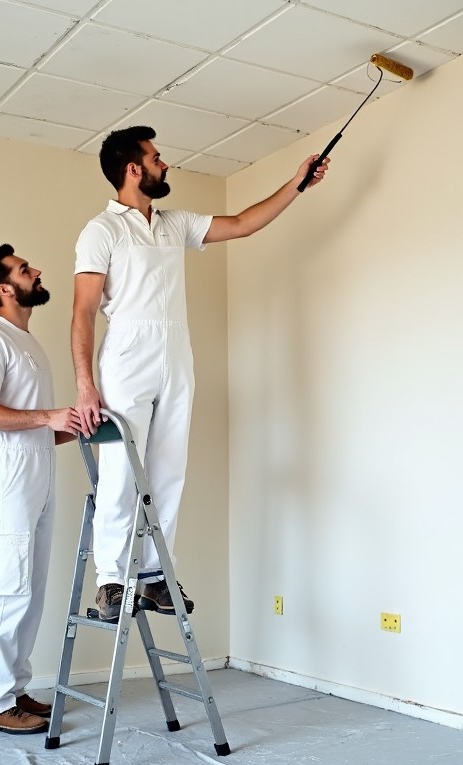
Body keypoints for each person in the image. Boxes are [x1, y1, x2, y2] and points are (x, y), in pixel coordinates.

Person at [71, 126, 329, 621]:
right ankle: (110, 580)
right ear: (133, 169)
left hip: (177, 352)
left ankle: (153, 577)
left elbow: (243, 223)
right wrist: (85, 385)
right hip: (127, 353)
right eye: (157, 157)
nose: (165, 164)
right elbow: (83, 311)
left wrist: (297, 184)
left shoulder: (173, 223)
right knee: (122, 470)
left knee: (169, 467)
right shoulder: (101, 231)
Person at [0, 244, 81, 735]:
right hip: (9, 475)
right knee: (5, 587)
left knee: (29, 589)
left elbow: (34, 424)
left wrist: (71, 426)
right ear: (4, 289)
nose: (36, 271)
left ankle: (13, 690)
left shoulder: (27, 341)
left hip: (39, 468)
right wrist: (48, 417)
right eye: (24, 269)